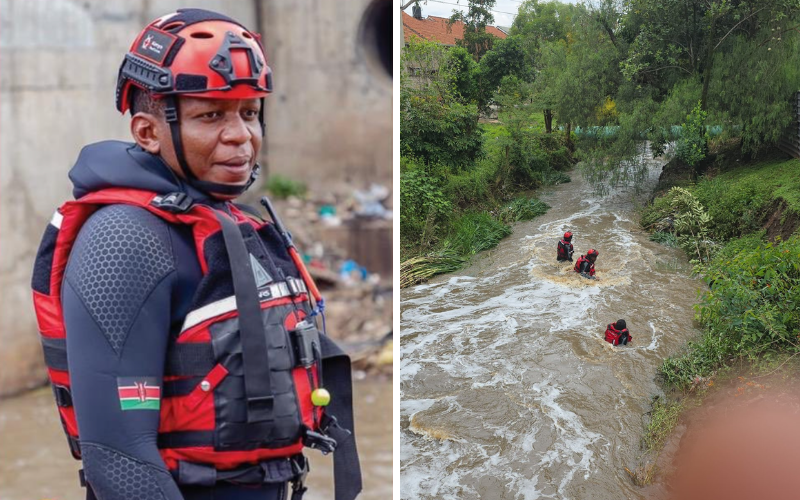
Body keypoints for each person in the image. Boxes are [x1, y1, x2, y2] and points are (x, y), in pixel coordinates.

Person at [31, 9, 361, 500]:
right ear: (147, 132)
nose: (241, 136)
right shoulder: (123, 240)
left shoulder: (223, 221)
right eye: (211, 115)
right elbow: (118, 458)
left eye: (249, 113)